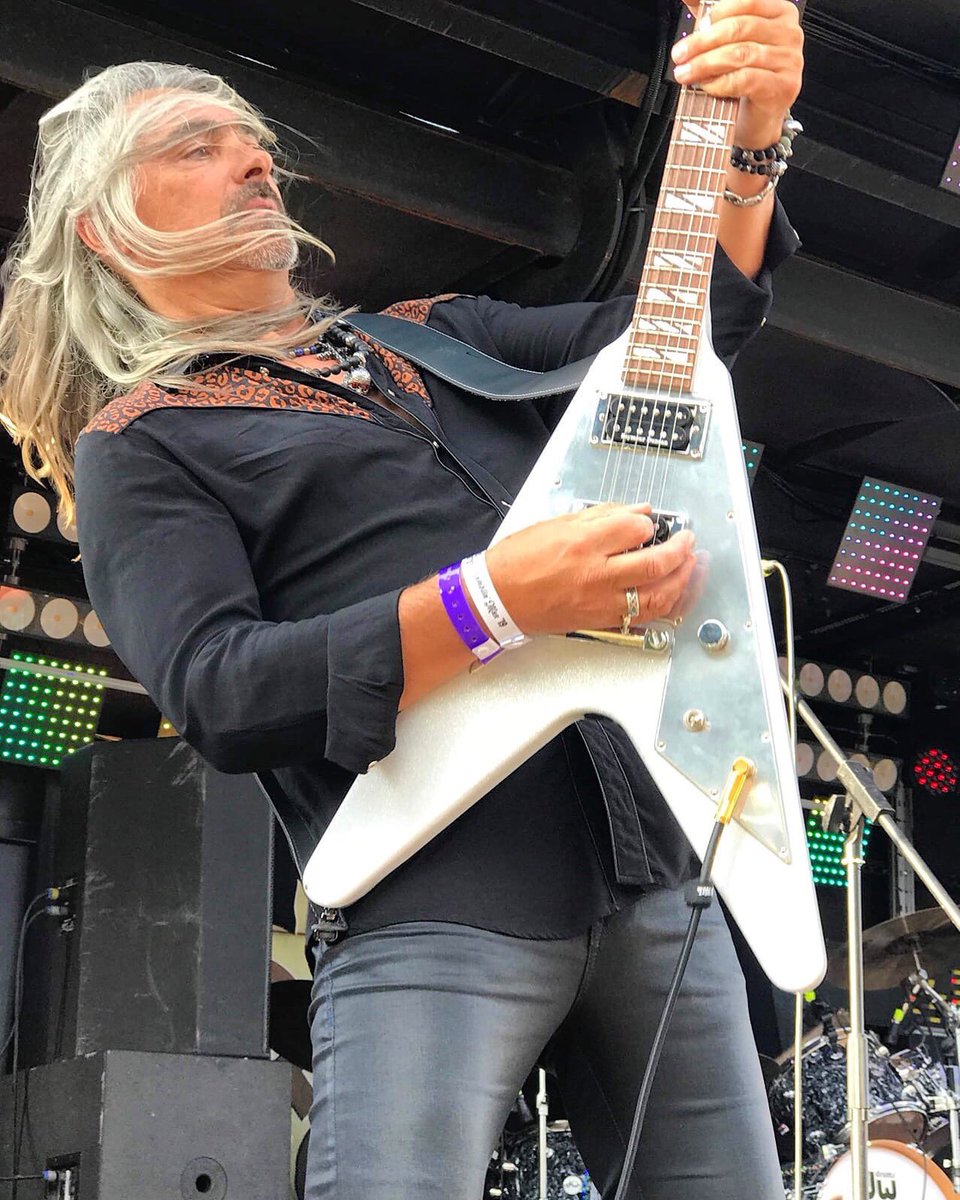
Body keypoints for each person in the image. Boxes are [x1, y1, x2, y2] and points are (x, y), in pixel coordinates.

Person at [0, 2, 805, 1195]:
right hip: (434, 894)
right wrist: (493, 601)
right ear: (105, 231)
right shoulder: (143, 438)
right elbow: (221, 689)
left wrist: (752, 142)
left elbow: (684, 340)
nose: (252, 157)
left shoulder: (433, 337)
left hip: (649, 872)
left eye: (254, 140)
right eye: (195, 144)